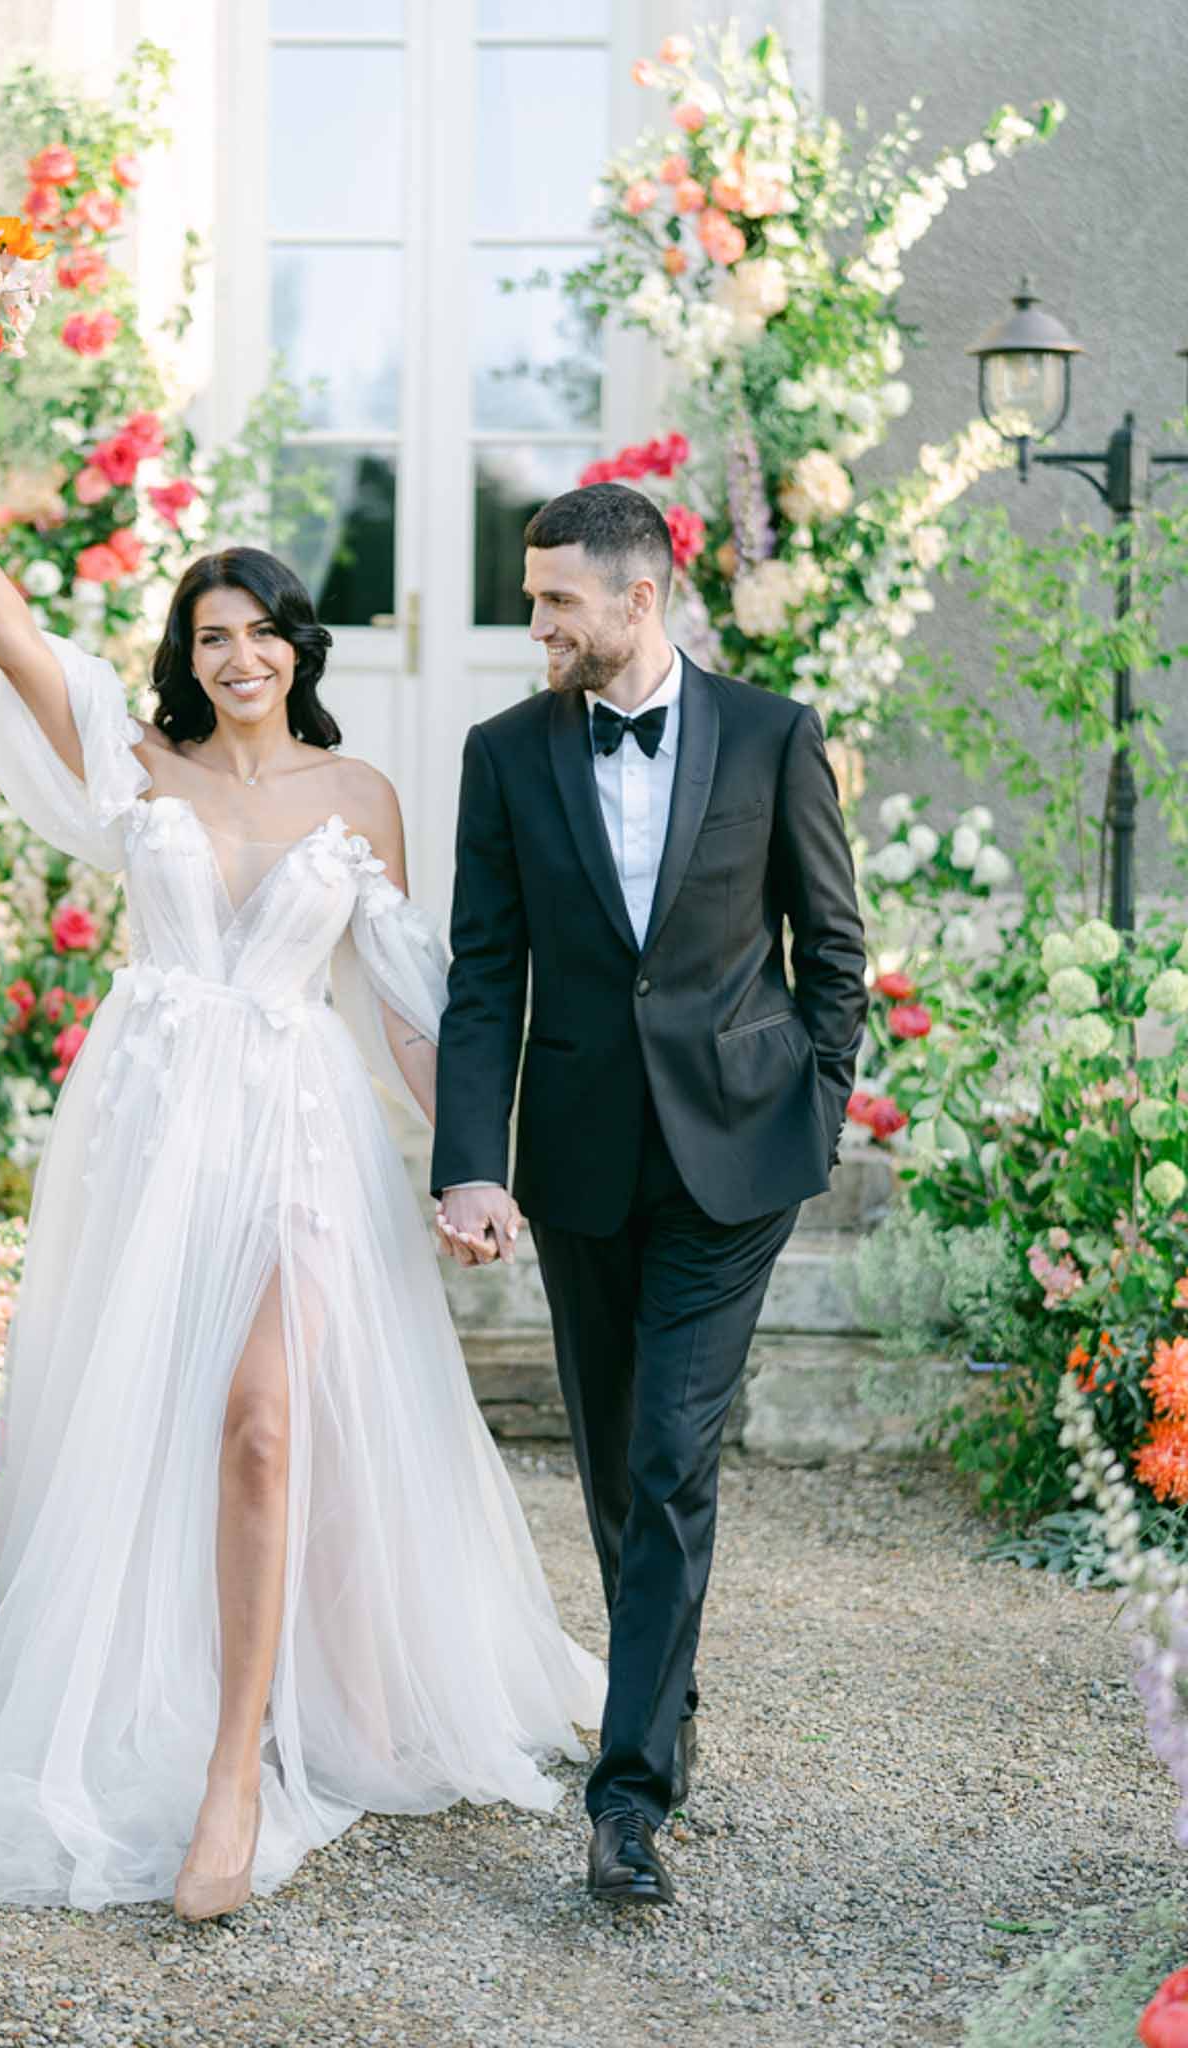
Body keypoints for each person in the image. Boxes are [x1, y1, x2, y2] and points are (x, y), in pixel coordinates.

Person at [0, 363, 604, 1920]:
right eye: (212, 635)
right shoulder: (138, 768)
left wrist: (473, 1166)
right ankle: (183, 1713)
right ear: (185, 657)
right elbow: (15, 642)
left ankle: (233, 1772)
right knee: (153, 1425)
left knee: (267, 1421)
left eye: (263, 630)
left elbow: (408, 1006)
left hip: (296, 1135)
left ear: (298, 647)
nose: (240, 655)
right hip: (149, 1139)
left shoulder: (361, 794)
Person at [432, 482, 867, 1906]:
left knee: (675, 1455)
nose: (536, 624)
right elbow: (485, 972)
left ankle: (626, 1803)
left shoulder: (771, 735)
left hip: (733, 1159)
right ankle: (661, 1694)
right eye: (532, 598)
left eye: (557, 600)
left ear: (639, 597)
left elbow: (832, 945)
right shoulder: (504, 753)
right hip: (577, 1162)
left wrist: (812, 1104)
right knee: (619, 1465)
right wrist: (474, 1161)